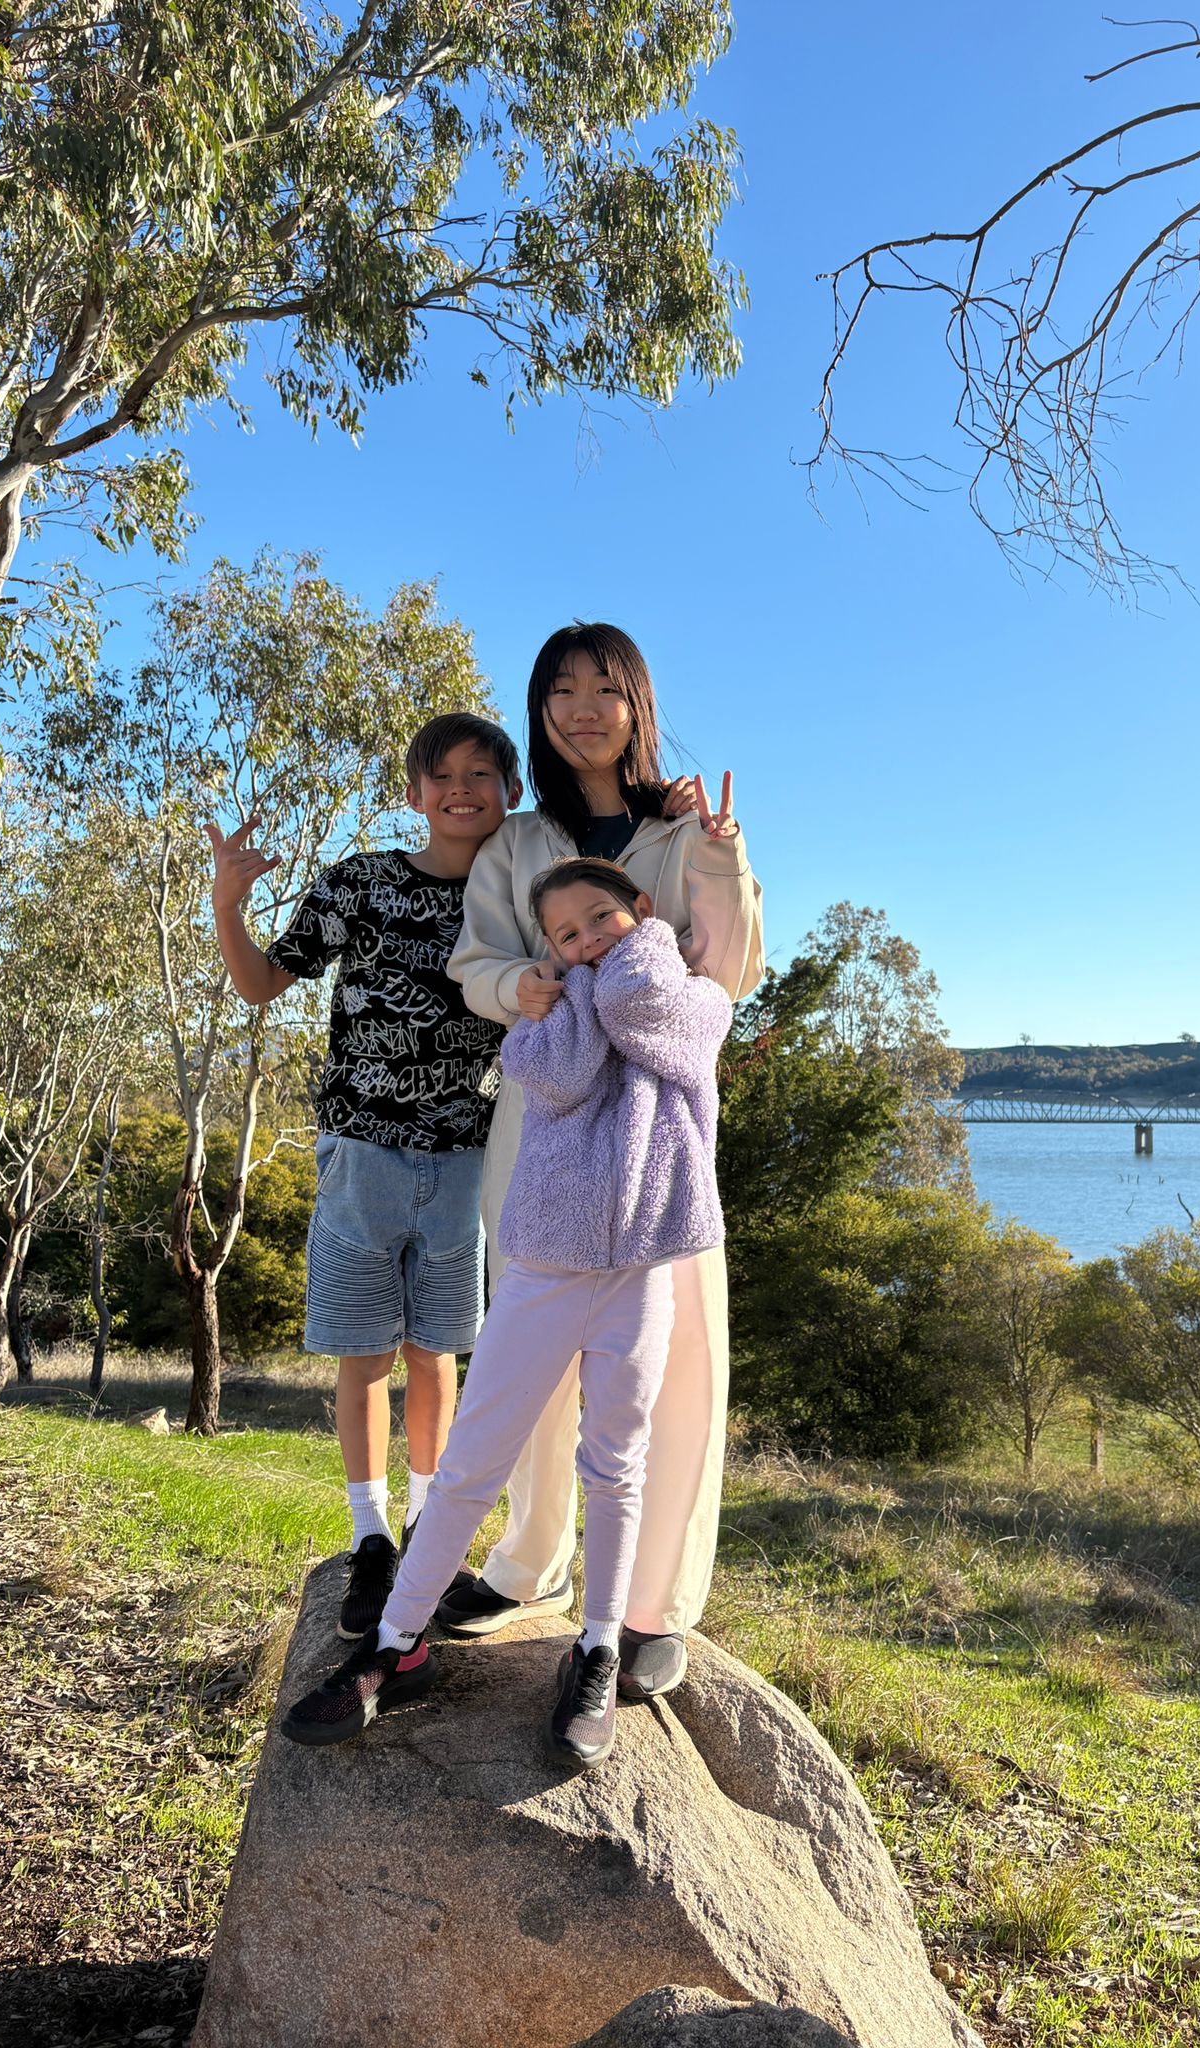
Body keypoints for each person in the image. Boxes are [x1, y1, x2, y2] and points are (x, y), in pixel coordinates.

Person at [282, 861, 732, 1767]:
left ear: (642, 911)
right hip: (545, 1269)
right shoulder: (551, 1019)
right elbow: (555, 1074)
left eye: (602, 918)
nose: (587, 940)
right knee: (473, 1461)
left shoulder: (697, 997)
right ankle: (396, 1644)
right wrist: (576, 988)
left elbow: (659, 1021)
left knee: (617, 1465)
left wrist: (620, 966)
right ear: (548, 950)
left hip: (642, 1270)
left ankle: (596, 1648)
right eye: (566, 935)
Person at [437, 624, 763, 1703]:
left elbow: (732, 971)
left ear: (637, 704)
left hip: (662, 1135)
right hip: (544, 1121)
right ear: (540, 711)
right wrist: (515, 987)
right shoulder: (516, 842)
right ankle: (528, 1561)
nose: (584, 708)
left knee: (679, 1362)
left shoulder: (685, 831)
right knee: (529, 1349)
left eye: (605, 688)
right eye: (561, 690)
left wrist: (719, 854)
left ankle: (653, 1605)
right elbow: (476, 959)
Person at [206, 713, 523, 1640]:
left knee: (437, 1353)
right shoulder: (362, 881)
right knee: (365, 1357)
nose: (460, 788)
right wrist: (227, 904)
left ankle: (430, 1528)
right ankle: (371, 1537)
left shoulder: (518, 893)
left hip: (467, 1160)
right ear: (414, 793)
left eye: (481, 773)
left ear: (510, 791)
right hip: (363, 1155)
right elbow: (263, 983)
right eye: (441, 774)